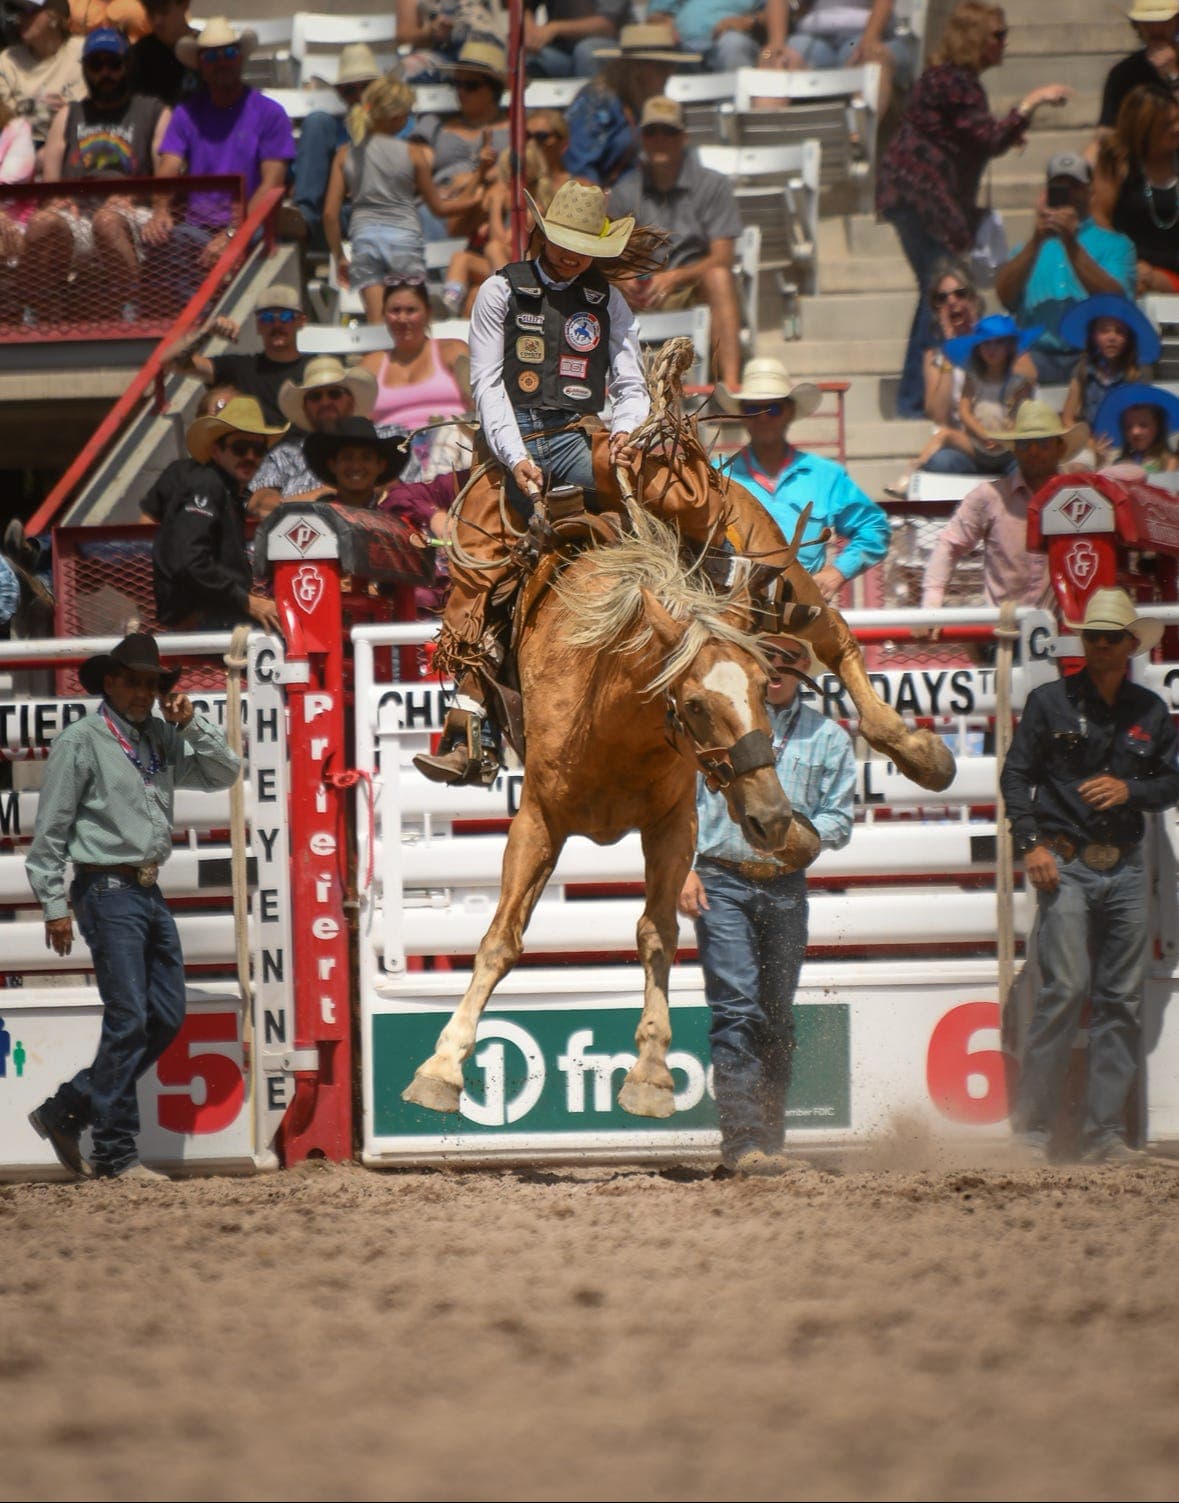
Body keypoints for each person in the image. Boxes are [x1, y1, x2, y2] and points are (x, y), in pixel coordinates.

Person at [413, 178, 660, 786]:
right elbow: (487, 384)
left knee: (663, 497)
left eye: (585, 247)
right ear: (543, 233)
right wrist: (515, 457)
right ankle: (467, 730)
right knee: (477, 569)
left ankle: (712, 600)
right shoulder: (501, 290)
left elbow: (631, 385)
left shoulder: (608, 303)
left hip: (580, 436)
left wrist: (626, 432)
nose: (573, 256)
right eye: (565, 242)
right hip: (509, 446)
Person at [25, 632, 241, 1182]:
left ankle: (68, 1107)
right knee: (131, 1018)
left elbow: (225, 772)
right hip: (105, 888)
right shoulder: (81, 741)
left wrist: (191, 722)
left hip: (144, 889)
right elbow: (50, 829)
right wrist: (53, 903)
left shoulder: (161, 737)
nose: (144, 692)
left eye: (152, 684)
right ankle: (115, 1151)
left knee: (163, 1015)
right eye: (134, 682)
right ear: (111, 682)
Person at [1001, 589, 1179, 1163]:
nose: (1099, 646)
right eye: (1092, 637)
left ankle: (1103, 1134)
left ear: (1129, 644)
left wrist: (1131, 789)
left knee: (1120, 999)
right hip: (1066, 863)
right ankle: (1034, 1132)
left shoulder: (1150, 711)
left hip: (1123, 866)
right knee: (1067, 989)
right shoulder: (1049, 703)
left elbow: (1172, 782)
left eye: (1109, 638)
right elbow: (1016, 777)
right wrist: (1031, 844)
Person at [677, 633, 855, 1176]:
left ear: (804, 668)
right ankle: (744, 1145)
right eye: (768, 656)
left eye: (788, 659)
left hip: (784, 884)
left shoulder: (829, 738)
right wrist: (684, 867)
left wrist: (801, 836)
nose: (777, 666)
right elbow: (679, 802)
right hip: (721, 877)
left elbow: (839, 818)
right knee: (737, 1010)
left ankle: (766, 1143)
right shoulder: (718, 722)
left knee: (774, 1016)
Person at [876, 2, 1070, 418]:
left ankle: (918, 396)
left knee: (937, 294)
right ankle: (915, 399)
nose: (1004, 43)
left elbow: (973, 135)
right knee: (941, 296)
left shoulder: (948, 79)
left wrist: (1006, 131)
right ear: (975, 39)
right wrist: (1032, 102)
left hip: (914, 199)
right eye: (998, 35)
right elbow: (989, 138)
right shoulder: (956, 82)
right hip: (923, 200)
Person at [715, 356, 890, 602]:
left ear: (789, 412)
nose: (763, 418)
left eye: (773, 409)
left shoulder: (826, 476)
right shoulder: (716, 475)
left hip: (803, 607)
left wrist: (838, 572)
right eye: (754, 410)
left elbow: (873, 527)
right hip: (733, 605)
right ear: (742, 415)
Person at [25, 27, 170, 321]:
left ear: (127, 65)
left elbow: (167, 174)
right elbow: (49, 187)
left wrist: (135, 195)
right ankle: (42, 315)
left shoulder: (153, 111)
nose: (106, 73)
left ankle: (133, 309)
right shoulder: (68, 115)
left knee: (107, 221)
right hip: (79, 216)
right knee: (41, 222)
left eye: (113, 64)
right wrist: (57, 200)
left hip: (131, 214)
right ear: (85, 69)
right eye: (96, 65)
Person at [608, 96, 744, 389]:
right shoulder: (623, 192)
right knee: (600, 280)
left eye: (668, 132)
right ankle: (599, 390)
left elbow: (723, 257)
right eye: (651, 131)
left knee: (719, 277)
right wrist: (624, 279)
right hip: (639, 292)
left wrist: (673, 278)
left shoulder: (713, 185)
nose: (660, 139)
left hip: (691, 289)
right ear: (641, 137)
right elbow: (608, 257)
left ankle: (730, 387)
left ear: (683, 137)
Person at [324, 74, 483, 322]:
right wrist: (476, 200)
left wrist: (339, 257)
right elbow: (439, 208)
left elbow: (329, 215)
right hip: (403, 239)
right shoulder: (412, 153)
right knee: (409, 320)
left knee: (378, 323)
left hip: (365, 237)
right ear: (396, 116)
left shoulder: (345, 154)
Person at [919, 401, 1086, 618]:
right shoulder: (990, 496)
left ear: (1059, 448)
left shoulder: (1079, 498)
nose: (1033, 451)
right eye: (1024, 444)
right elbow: (949, 544)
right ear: (1015, 450)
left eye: (1043, 443)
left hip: (1061, 626)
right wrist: (931, 605)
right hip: (1001, 627)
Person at [154, 17, 295, 264]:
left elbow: (270, 186)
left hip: (252, 226)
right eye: (211, 56)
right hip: (195, 230)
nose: (221, 62)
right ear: (200, 64)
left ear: (240, 58)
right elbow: (168, 168)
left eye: (229, 53)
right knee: (157, 240)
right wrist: (160, 211)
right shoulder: (186, 113)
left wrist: (233, 234)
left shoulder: (270, 114)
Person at [994, 153, 1138, 386]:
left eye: (1075, 185)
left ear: (1090, 193)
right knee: (1012, 376)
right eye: (1059, 186)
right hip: (1037, 354)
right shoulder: (1027, 248)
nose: (1068, 192)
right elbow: (1005, 296)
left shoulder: (1116, 245)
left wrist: (1071, 244)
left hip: (1093, 355)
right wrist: (1036, 240)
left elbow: (1116, 299)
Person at [151, 394, 286, 632]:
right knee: (286, 639)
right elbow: (189, 560)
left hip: (218, 616)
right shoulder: (207, 485)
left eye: (258, 450)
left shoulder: (227, 491)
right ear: (216, 451)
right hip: (206, 621)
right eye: (240, 448)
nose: (250, 457)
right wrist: (248, 602)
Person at [886, 260, 988, 492]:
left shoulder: (995, 343)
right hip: (962, 446)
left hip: (994, 440)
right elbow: (939, 415)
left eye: (960, 294)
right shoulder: (935, 356)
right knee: (941, 462)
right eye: (943, 298)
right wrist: (951, 349)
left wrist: (978, 338)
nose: (952, 302)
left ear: (973, 299)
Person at [361, 275, 473, 484]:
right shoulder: (371, 364)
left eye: (411, 310)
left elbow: (478, 407)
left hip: (451, 454)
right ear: (384, 314)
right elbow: (359, 426)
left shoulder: (451, 351)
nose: (402, 319)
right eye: (395, 311)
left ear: (428, 312)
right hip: (393, 461)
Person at [563, 22, 700, 188]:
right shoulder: (595, 101)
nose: (669, 72)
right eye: (661, 66)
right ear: (635, 68)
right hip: (607, 197)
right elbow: (580, 170)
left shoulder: (655, 104)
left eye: (671, 65)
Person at [247, 357, 380, 518]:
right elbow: (260, 503)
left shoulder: (383, 439)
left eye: (334, 394)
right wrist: (325, 495)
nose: (325, 402)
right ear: (305, 407)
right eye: (315, 397)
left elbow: (395, 486)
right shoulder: (285, 454)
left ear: (351, 401)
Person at [163, 283, 308, 426]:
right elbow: (170, 361)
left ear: (301, 321)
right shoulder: (239, 369)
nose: (276, 324)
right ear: (258, 325)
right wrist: (207, 330)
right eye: (267, 318)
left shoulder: (316, 369)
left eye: (285, 316)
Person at [289, 41, 381, 254]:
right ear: (340, 92)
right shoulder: (331, 129)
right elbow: (303, 177)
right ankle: (303, 218)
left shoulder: (397, 123)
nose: (359, 96)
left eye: (366, 87)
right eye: (350, 90)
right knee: (317, 121)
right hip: (334, 214)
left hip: (378, 213)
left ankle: (303, 223)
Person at [415, 36, 510, 242]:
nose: (460, 92)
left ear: (493, 90)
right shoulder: (435, 124)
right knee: (425, 212)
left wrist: (474, 179)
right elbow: (417, 166)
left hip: (493, 198)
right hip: (442, 200)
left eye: (470, 86)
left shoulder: (516, 128)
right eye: (456, 84)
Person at [1093, 84, 1179, 296]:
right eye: (1167, 124)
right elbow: (1100, 219)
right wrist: (1129, 264)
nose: (1177, 128)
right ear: (1144, 128)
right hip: (1134, 271)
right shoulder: (1117, 162)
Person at [937, 312, 1038, 475]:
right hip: (977, 448)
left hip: (1009, 451)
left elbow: (1021, 417)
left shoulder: (1019, 383)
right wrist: (984, 435)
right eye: (986, 343)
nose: (992, 349)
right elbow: (964, 412)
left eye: (998, 343)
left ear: (1009, 347)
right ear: (978, 348)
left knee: (1024, 469)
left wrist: (1003, 439)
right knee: (941, 461)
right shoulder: (973, 378)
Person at [784, 0, 918, 117]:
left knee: (872, 62)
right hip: (812, 35)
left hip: (868, 33)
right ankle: (773, 132)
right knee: (780, 60)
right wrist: (777, 42)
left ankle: (859, 134)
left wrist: (871, 38)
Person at [1059, 294, 1159, 431]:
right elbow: (1067, 419)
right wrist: (1088, 441)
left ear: (1129, 339)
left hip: (1125, 439)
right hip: (1090, 437)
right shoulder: (1083, 370)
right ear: (1093, 336)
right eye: (1104, 330)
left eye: (1120, 331)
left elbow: (1143, 419)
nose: (1112, 337)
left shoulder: (1137, 374)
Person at [0, 0, 84, 146]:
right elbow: (4, 119)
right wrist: (32, 110)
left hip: (76, 144)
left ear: (55, 16)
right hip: (22, 147)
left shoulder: (83, 52)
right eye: (16, 10)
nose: (20, 17)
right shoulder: (8, 60)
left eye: (30, 11)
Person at [1099, 0, 1179, 133]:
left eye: (1164, 22)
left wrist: (1171, 75)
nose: (1156, 29)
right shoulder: (1124, 72)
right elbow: (1107, 130)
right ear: (1137, 26)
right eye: (1148, 23)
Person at [646, 0, 789, 72]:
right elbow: (657, 14)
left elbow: (777, 6)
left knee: (732, 43)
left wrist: (749, 21)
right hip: (684, 46)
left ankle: (735, 114)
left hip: (734, 40)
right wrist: (666, 26)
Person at [303, 416, 411, 509]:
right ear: (332, 465)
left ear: (381, 465)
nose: (356, 466)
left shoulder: (396, 518)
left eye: (366, 458)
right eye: (347, 457)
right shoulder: (316, 517)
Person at [396, 0, 503, 84]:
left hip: (483, 50)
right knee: (405, 70)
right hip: (440, 55)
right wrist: (431, 31)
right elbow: (404, 35)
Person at [523, 0, 625, 79]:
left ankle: (591, 100)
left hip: (609, 50)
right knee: (526, 58)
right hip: (561, 53)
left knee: (585, 52)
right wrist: (529, 29)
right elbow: (526, 6)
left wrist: (555, 28)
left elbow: (607, 25)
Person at [1094, 382, 1179, 472]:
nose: (1135, 432)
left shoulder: (1169, 462)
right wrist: (1101, 462)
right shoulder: (1120, 463)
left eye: (1143, 425)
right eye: (1128, 426)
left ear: (1158, 427)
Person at [128, 0, 196, 107]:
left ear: (185, 4)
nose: (157, 21)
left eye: (164, 11)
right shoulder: (138, 55)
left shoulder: (207, 49)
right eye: (151, 12)